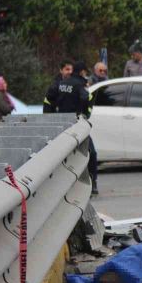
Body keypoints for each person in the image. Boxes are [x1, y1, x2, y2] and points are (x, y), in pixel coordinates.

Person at [43, 60, 99, 194]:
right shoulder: (79, 85)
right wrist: (86, 114)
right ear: (82, 72)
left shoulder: (60, 84)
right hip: (76, 125)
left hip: (60, 126)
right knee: (90, 152)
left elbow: (48, 100)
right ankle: (93, 184)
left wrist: (50, 118)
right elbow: (87, 98)